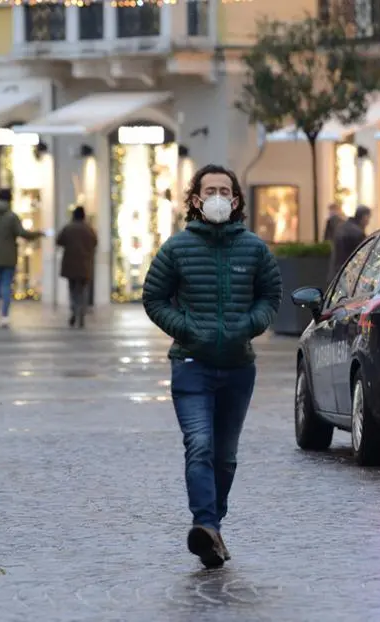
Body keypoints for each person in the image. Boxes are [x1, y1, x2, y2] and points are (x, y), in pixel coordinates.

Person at [142, 164, 282, 568]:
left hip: (238, 368)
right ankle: (204, 522)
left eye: (225, 190)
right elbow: (154, 298)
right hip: (191, 365)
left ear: (235, 200)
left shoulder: (254, 248)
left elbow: (270, 297)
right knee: (199, 446)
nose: (218, 196)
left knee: (225, 456)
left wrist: (247, 326)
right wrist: (186, 329)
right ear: (197, 199)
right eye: (210, 190)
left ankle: (212, 528)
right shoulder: (177, 248)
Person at [0, 188, 43, 328]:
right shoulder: (11, 216)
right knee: (7, 284)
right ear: (9, 200)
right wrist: (38, 233)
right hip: (9, 256)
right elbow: (22, 232)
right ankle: (5, 316)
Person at [56, 206, 98, 328]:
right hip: (85, 264)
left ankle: (74, 309)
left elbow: (59, 241)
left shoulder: (68, 228)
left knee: (72, 289)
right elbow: (95, 243)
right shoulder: (89, 229)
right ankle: (82, 312)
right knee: (83, 290)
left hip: (70, 264)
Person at [328, 204, 371, 283]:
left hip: (336, 275)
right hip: (349, 277)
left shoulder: (342, 227)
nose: (368, 222)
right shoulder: (357, 233)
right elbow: (363, 256)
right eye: (368, 218)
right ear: (364, 217)